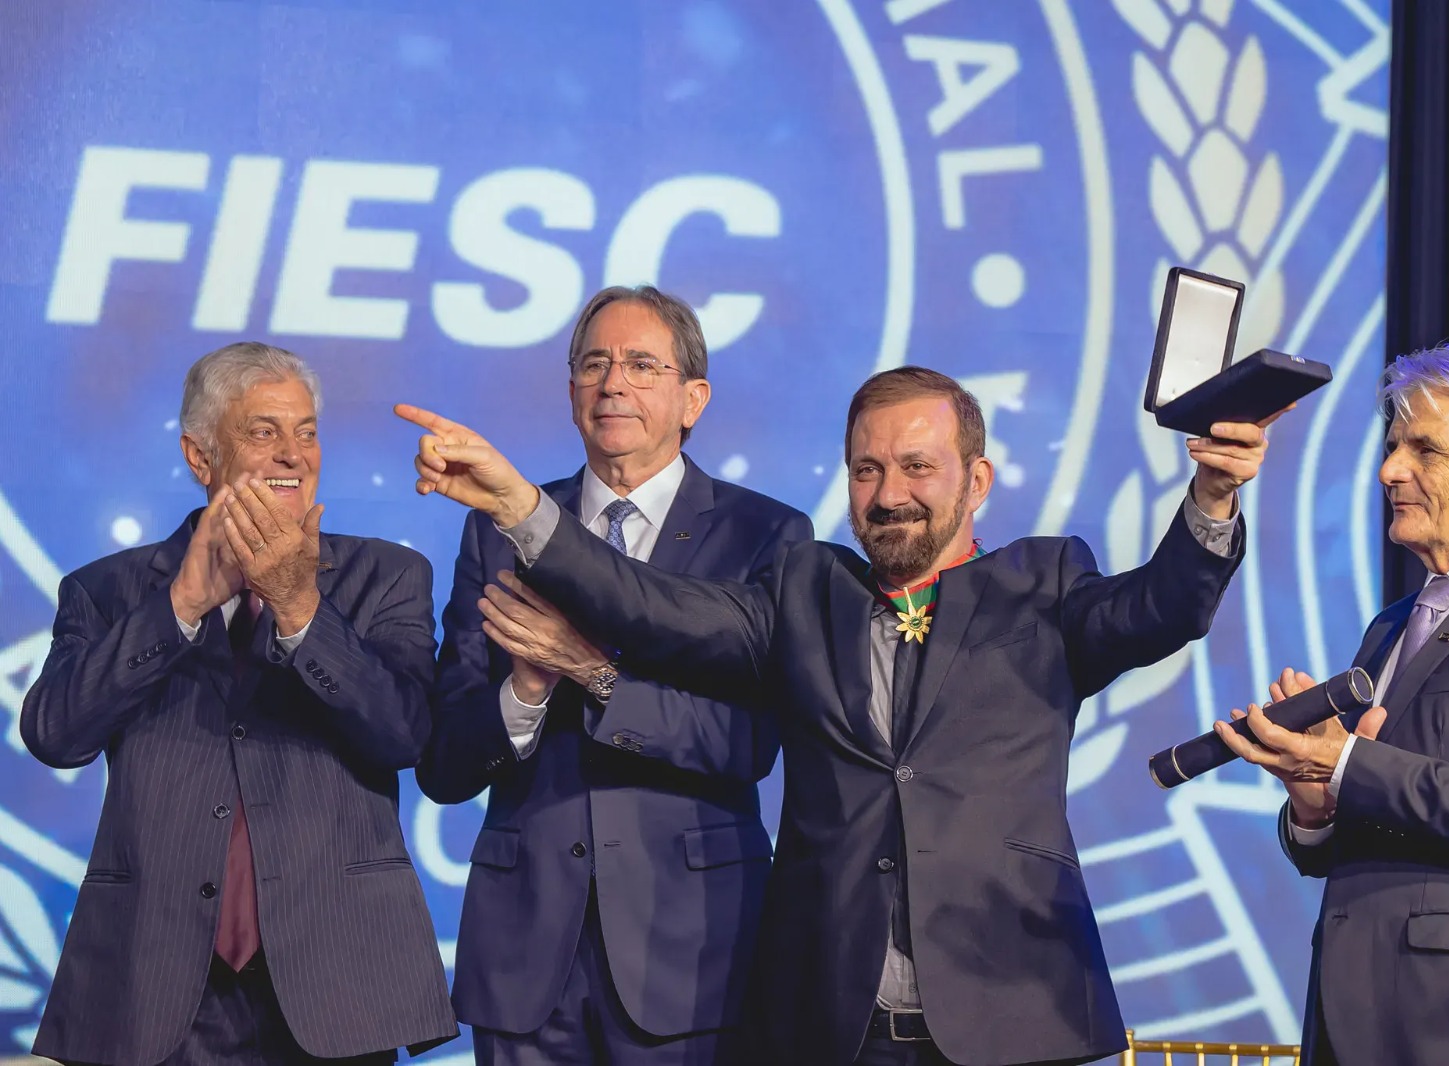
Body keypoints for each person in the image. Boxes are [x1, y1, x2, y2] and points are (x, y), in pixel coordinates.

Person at [399, 366, 1280, 1066]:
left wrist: (1210, 500)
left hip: (1010, 1006)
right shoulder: (803, 589)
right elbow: (648, 606)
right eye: (868, 469)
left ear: (977, 480)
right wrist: (520, 507)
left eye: (918, 467)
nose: (890, 493)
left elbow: (1162, 607)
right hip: (831, 1022)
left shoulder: (1042, 583)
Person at [22, 342, 456, 1065]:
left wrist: (299, 608)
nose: (293, 454)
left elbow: (404, 734)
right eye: (263, 431)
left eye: (306, 431)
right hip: (153, 984)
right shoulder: (109, 591)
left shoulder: (385, 575)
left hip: (336, 983)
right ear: (201, 458)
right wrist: (179, 607)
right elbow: (54, 734)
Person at [415, 286, 811, 1066]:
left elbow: (747, 744)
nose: (612, 383)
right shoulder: (495, 532)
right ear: (570, 393)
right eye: (594, 364)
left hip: (691, 950)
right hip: (526, 956)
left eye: (641, 364)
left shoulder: (764, 535)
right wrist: (526, 691)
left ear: (693, 398)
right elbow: (444, 766)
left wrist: (592, 673)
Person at [1215, 344, 1449, 1065]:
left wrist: (1349, 764)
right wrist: (1316, 805)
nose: (1390, 470)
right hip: (1353, 1021)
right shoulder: (1393, 624)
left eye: (1425, 449)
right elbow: (1373, 825)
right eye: (1393, 446)